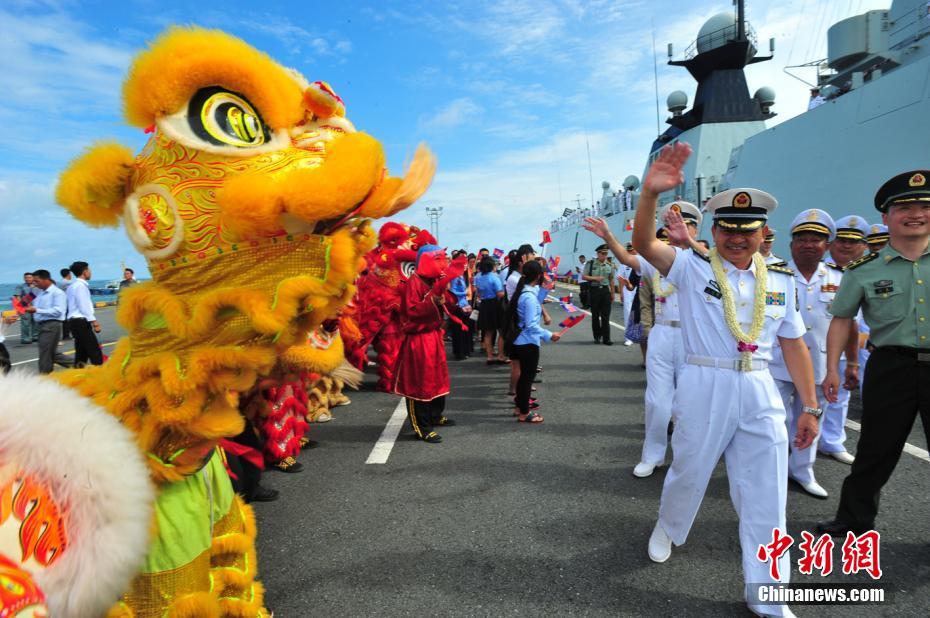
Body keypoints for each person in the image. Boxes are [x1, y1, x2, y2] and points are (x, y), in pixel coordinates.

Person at [633, 143, 818, 618]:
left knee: (767, 492)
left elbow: (793, 344)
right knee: (689, 471)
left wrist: (811, 406)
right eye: (728, 230)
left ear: (762, 233)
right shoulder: (692, 268)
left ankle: (769, 594)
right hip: (703, 381)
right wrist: (650, 195)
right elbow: (643, 245)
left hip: (759, 388)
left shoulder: (780, 281)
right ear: (714, 232)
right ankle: (669, 526)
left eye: (747, 231)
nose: (737, 239)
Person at [817, 170, 930, 537]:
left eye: (924, 205)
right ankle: (853, 519)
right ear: (886, 217)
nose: (915, 213)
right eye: (904, 207)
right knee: (875, 450)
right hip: (890, 366)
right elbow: (841, 320)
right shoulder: (863, 271)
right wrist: (834, 369)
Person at [767, 210, 858, 499]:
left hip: (819, 364)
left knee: (811, 420)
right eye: (802, 239)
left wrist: (848, 363)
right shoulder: (773, 274)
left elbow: (848, 323)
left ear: (827, 245)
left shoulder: (839, 277)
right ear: (792, 244)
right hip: (777, 363)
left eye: (816, 240)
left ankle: (803, 472)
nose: (808, 245)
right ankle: (772, 472)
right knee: (772, 421)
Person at [393, 245, 467, 444]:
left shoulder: (434, 280)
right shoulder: (413, 283)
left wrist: (446, 298)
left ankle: (435, 415)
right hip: (419, 340)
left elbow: (448, 303)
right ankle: (422, 426)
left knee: (437, 378)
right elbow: (412, 311)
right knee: (419, 383)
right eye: (438, 259)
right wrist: (432, 300)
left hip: (433, 336)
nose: (443, 263)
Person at [819, 214, 870, 464]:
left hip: (853, 343)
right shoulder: (820, 270)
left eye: (854, 241)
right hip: (817, 343)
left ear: (864, 244)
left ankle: (832, 441)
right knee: (805, 395)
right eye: (842, 240)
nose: (847, 246)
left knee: (840, 396)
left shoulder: (866, 273)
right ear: (831, 242)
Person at [509, 260, 560, 423]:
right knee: (526, 378)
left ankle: (519, 407)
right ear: (538, 275)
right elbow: (531, 325)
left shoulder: (525, 291)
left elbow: (536, 301)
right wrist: (548, 334)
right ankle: (524, 412)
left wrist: (545, 290)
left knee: (524, 377)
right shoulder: (529, 297)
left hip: (520, 340)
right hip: (528, 342)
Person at [25, 270, 72, 374]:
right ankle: (80, 366)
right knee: (51, 353)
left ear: (46, 279)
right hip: (42, 325)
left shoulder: (57, 293)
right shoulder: (39, 292)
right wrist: (22, 306)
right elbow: (24, 302)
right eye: (34, 282)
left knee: (45, 354)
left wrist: (37, 310)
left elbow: (58, 311)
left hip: (51, 325)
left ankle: (45, 377)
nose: (35, 284)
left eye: (37, 281)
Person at [66, 261, 104, 367]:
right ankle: (100, 376)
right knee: (95, 352)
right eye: (89, 270)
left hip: (74, 322)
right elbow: (83, 306)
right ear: (84, 272)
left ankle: (78, 377)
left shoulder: (72, 286)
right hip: (80, 321)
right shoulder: (80, 286)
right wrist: (94, 322)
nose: (90, 272)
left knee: (81, 353)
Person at [475, 256, 508, 364]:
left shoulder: (478, 276)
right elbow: (499, 293)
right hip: (495, 305)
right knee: (501, 331)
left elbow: (478, 293)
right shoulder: (494, 277)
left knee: (488, 332)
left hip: (484, 305)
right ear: (491, 266)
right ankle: (501, 355)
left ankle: (489, 356)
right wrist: (507, 293)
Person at [583, 244, 617, 345]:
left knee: (606, 316)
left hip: (605, 292)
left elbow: (611, 279)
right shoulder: (591, 264)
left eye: (606, 253)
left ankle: (607, 339)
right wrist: (595, 278)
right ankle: (597, 336)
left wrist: (612, 293)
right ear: (598, 254)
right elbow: (584, 276)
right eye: (603, 253)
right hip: (594, 291)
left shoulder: (610, 265)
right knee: (595, 315)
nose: (605, 255)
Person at [13, 273, 37, 344]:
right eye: (26, 278)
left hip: (35, 307)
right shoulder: (20, 286)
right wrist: (21, 307)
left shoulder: (37, 285)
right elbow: (17, 297)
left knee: (36, 322)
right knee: (25, 323)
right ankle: (26, 339)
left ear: (33, 278)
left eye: (29, 277)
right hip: (25, 307)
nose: (28, 279)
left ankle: (35, 337)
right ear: (24, 278)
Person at [58, 268, 73, 340]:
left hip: (64, 302)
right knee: (67, 319)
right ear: (68, 274)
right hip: (66, 302)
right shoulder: (67, 282)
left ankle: (66, 334)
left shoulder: (61, 282)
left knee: (66, 319)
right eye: (70, 274)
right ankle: (66, 335)